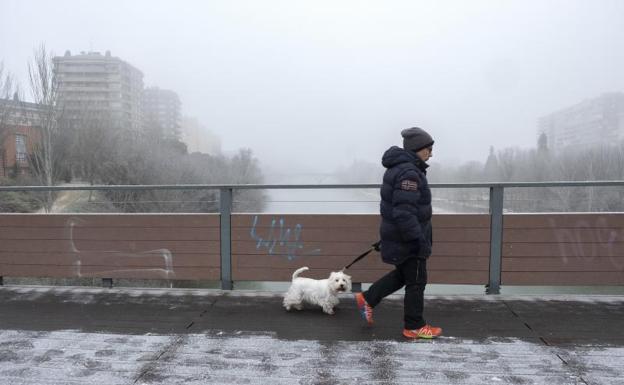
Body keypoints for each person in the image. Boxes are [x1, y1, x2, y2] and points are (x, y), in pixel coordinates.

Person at [355, 127, 442, 339]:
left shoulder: (402, 168)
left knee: (404, 275)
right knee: (416, 282)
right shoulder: (409, 173)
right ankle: (414, 326)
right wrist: (417, 239)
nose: (431, 153)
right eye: (428, 149)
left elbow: (399, 209)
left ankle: (367, 298)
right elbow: (404, 212)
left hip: (401, 235)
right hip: (409, 238)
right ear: (417, 149)